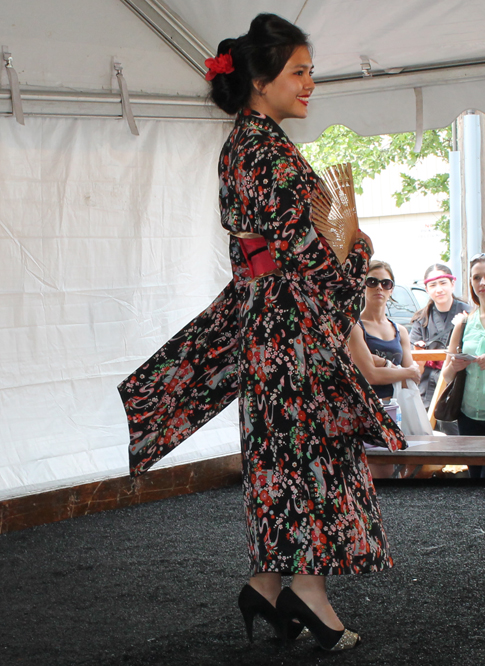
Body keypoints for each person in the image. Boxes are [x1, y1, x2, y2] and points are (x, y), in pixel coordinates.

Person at [118, 13, 405, 653]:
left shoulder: (246, 145)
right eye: (299, 72)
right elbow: (312, 260)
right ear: (259, 79)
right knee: (308, 456)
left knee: (283, 456)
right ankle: (307, 589)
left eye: (309, 72)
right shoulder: (268, 153)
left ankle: (266, 585)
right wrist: (360, 250)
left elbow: (277, 253)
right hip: (290, 331)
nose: (309, 84)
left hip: (269, 325)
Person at [442, 253, 485, 479]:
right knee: (475, 480)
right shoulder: (464, 322)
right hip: (469, 417)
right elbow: (446, 376)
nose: (482, 283)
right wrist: (455, 366)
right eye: (476, 278)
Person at [410, 263, 471, 434]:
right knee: (424, 428)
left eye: (443, 283)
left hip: (457, 379)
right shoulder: (421, 319)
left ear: (452, 284)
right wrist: (418, 352)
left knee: (454, 429)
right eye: (433, 285)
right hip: (427, 380)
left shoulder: (469, 314)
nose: (439, 289)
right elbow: (412, 357)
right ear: (427, 289)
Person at [349, 260, 421, 401]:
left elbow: (414, 377)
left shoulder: (400, 331)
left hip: (400, 406)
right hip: (368, 408)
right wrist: (404, 372)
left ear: (391, 289)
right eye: (372, 282)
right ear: (363, 286)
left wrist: (382, 363)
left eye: (385, 283)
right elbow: (370, 376)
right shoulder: (354, 328)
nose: (379, 287)